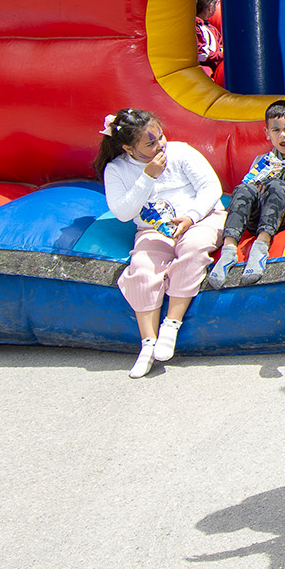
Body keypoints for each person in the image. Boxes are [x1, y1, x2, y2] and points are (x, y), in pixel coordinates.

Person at [97, 108, 225, 379]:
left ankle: (172, 323)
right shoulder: (117, 170)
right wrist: (148, 176)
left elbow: (211, 188)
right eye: (150, 142)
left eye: (161, 136)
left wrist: (191, 218)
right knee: (142, 269)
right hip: (153, 231)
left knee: (193, 250)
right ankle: (147, 343)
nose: (160, 144)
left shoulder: (181, 152)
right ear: (128, 148)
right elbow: (123, 212)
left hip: (199, 220)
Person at [207, 98, 285, 288]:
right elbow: (249, 190)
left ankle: (260, 249)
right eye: (276, 130)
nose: (283, 136)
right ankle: (228, 251)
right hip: (264, 215)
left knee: (278, 186)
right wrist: (257, 188)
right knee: (243, 188)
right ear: (267, 133)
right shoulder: (262, 160)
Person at [194, 0, 223, 80]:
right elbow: (201, 55)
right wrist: (223, 55)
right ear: (210, 6)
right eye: (215, 3)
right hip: (204, 70)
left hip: (216, 69)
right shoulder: (195, 27)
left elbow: (220, 45)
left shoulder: (212, 29)